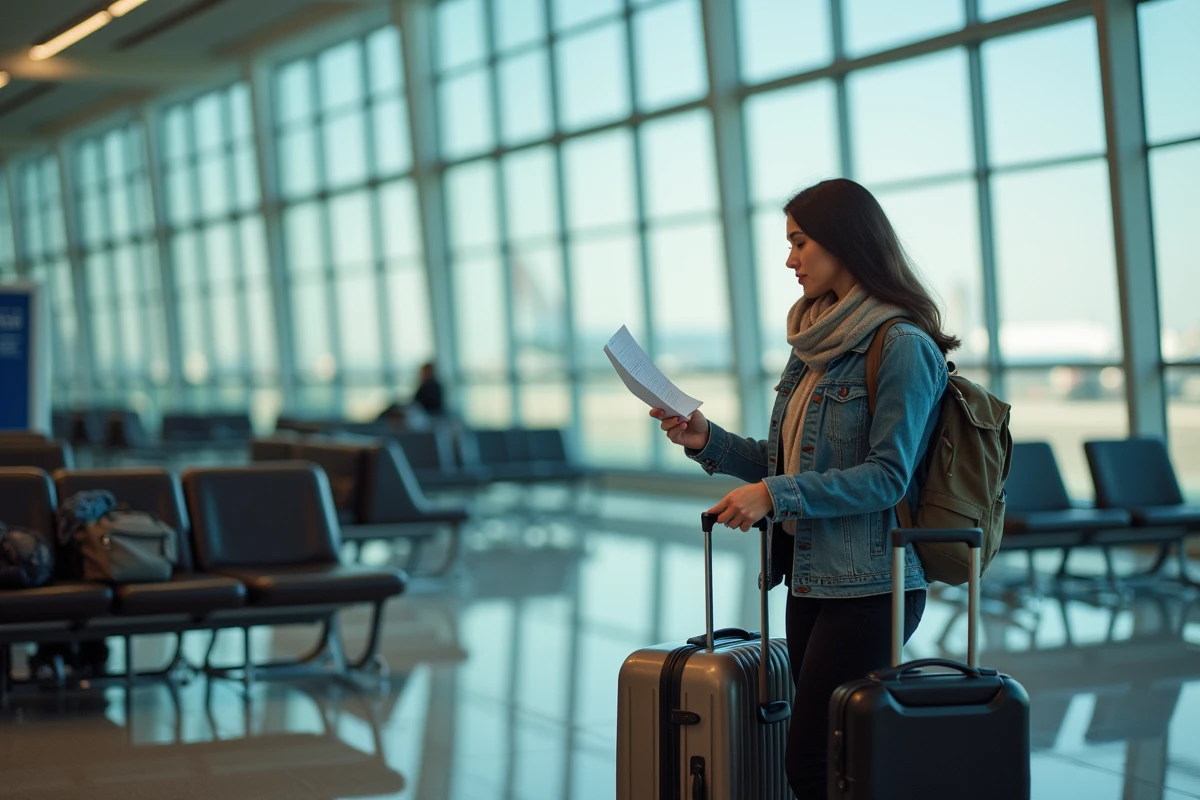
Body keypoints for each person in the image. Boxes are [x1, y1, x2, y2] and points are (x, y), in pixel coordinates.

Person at [651, 178, 958, 798]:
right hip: (813, 577)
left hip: (874, 583)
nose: (789, 260)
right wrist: (706, 439)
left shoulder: (901, 346)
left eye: (800, 242)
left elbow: (887, 475)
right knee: (830, 757)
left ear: (845, 241)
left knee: (814, 762)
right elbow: (790, 459)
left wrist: (776, 495)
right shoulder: (815, 345)